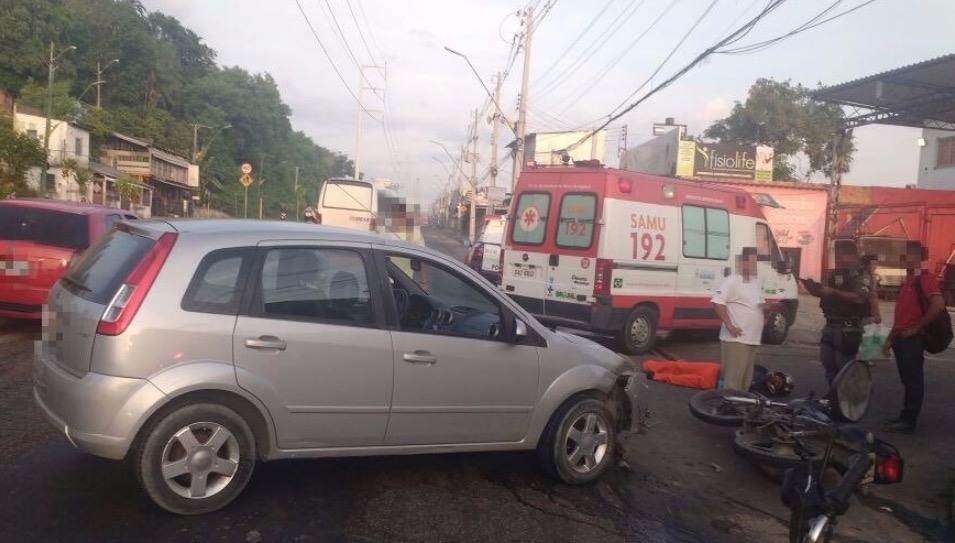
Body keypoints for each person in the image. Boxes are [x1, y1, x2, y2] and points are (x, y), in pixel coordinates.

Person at [880, 242, 946, 434]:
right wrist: (890, 340)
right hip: (901, 338)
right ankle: (904, 417)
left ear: (917, 258)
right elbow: (902, 314)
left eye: (905, 256)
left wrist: (917, 327)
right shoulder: (909, 279)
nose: (902, 260)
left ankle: (909, 421)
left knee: (913, 381)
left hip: (912, 340)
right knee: (907, 380)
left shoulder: (925, 278)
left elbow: (938, 305)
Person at [803, 246, 872, 384]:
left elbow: (860, 297)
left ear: (852, 255)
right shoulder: (834, 273)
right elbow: (825, 291)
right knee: (828, 363)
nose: (839, 259)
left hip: (847, 327)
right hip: (830, 323)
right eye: (837, 255)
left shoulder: (861, 274)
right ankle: (834, 398)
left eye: (842, 255)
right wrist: (813, 289)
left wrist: (833, 292)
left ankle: (847, 401)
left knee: (844, 368)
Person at [711, 247, 765, 391]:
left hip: (751, 338)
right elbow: (717, 302)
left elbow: (753, 304)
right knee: (733, 380)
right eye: (752, 262)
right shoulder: (733, 280)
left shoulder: (754, 282)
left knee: (745, 380)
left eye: (756, 262)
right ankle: (730, 407)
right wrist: (729, 325)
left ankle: (741, 407)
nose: (755, 266)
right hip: (736, 339)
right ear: (743, 262)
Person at [860, 254, 882, 324]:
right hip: (865, 312)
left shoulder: (871, 275)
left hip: (867, 311)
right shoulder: (866, 276)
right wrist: (876, 315)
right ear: (866, 264)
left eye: (876, 264)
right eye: (873, 264)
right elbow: (870, 296)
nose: (875, 266)